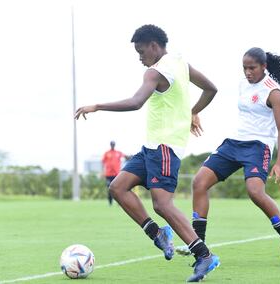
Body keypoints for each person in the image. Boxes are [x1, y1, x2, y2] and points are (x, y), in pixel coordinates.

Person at [75, 24, 220, 282]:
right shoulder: (180, 63)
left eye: (141, 52)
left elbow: (135, 102)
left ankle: (204, 255)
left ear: (154, 46)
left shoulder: (156, 72)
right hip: (152, 147)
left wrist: (97, 105)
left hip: (164, 148)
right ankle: (158, 234)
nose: (140, 58)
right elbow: (211, 89)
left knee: (162, 204)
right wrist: (192, 112)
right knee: (118, 187)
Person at [177, 47, 280, 265]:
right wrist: (194, 112)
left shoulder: (274, 92)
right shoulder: (243, 85)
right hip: (234, 143)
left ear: (264, 67)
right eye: (244, 68)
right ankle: (199, 245)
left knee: (255, 191)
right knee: (199, 182)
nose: (248, 72)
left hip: (258, 146)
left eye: (252, 68)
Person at [102, 140, 126, 206]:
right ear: (110, 145)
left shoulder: (118, 153)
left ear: (114, 145)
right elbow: (102, 162)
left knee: (118, 188)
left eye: (113, 144)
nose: (112, 145)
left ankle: (119, 202)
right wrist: (102, 172)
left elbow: (125, 156)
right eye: (111, 144)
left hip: (117, 174)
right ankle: (110, 203)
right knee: (110, 189)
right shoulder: (106, 153)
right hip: (108, 174)